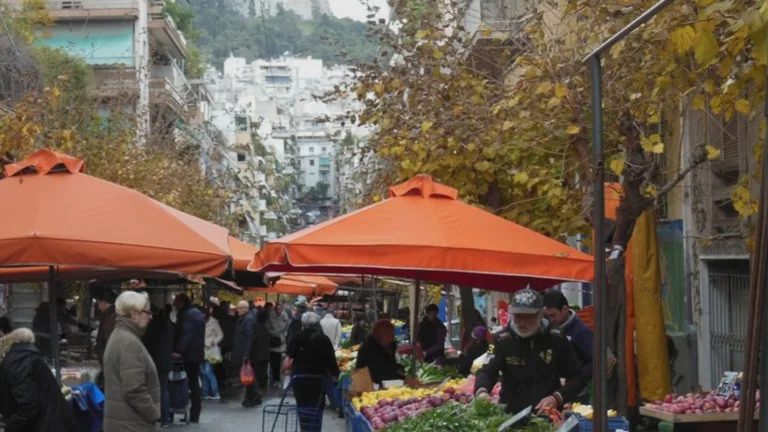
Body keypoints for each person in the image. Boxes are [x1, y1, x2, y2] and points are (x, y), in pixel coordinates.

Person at [474, 288, 588, 414]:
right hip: (510, 414)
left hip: (547, 414)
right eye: (518, 317)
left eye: (528, 317)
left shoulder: (557, 338)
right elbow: (487, 370)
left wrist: (557, 397)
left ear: (540, 314)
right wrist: (482, 391)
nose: (522, 323)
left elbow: (577, 376)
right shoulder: (501, 339)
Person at [103, 291, 160, 432]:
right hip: (132, 424)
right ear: (134, 314)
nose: (151, 317)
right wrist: (153, 414)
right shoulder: (128, 342)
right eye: (147, 312)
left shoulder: (122, 335)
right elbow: (134, 389)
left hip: (125, 422)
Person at [0, 328, 77, 432]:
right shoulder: (21, 354)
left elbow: (29, 405)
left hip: (46, 424)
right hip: (52, 422)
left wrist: (11, 427)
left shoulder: (16, 361)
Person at [285, 312, 340, 432]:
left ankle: (305, 429)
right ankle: (315, 430)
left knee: (302, 406)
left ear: (303, 323)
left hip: (299, 378)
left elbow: (289, 355)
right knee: (317, 408)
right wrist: (336, 374)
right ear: (317, 324)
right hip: (318, 379)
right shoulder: (323, 339)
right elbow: (331, 359)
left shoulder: (297, 336)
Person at [172, 294, 205, 423]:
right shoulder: (196, 312)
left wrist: (179, 350)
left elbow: (187, 334)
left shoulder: (187, 314)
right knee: (194, 383)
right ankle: (194, 414)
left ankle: (188, 412)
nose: (174, 304)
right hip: (196, 353)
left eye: (176, 302)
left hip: (188, 354)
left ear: (182, 302)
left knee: (187, 382)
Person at [142, 303, 174, 428]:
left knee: (154, 390)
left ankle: (158, 416)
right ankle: (165, 418)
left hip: (154, 361)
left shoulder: (153, 326)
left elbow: (148, 342)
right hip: (165, 361)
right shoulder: (170, 325)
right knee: (164, 390)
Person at [355, 319, 406, 385]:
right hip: (368, 385)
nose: (391, 339)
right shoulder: (369, 347)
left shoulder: (388, 345)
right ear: (379, 334)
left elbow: (390, 364)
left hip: (383, 382)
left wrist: (399, 369)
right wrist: (402, 379)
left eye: (392, 336)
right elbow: (379, 371)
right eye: (389, 335)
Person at [231, 301, 261, 407]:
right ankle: (252, 397)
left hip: (246, 353)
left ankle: (253, 397)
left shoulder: (248, 320)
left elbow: (250, 338)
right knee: (248, 375)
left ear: (245, 309)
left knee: (248, 376)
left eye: (239, 308)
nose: (237, 310)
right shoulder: (245, 319)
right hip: (244, 352)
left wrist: (246, 355)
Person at [202, 309, 223, 401]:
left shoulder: (214, 322)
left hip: (210, 350)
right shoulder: (200, 322)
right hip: (201, 350)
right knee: (203, 373)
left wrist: (214, 341)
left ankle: (215, 392)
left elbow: (220, 334)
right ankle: (205, 393)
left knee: (208, 372)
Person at [267, 303, 290, 389]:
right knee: (273, 363)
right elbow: (268, 328)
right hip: (273, 343)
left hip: (282, 343)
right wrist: (275, 333)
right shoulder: (270, 317)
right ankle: (275, 379)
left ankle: (278, 379)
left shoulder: (285, 318)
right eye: (277, 309)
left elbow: (286, 330)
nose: (278, 311)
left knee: (281, 363)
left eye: (279, 309)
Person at [95, 290, 118, 368]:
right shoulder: (109, 314)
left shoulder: (111, 316)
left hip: (109, 359)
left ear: (104, 302)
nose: (98, 306)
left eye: (98, 303)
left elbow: (109, 339)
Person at [253, 309, 272, 391]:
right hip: (265, 351)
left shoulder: (255, 327)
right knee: (264, 368)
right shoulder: (267, 327)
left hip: (257, 351)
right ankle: (263, 383)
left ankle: (258, 382)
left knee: (258, 368)